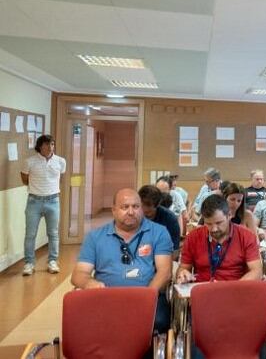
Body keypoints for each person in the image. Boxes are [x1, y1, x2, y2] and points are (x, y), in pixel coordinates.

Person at [71, 188, 173, 333]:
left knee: (158, 321)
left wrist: (147, 297)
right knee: (85, 322)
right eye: (125, 207)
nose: (131, 212)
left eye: (136, 207)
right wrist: (89, 283)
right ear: (113, 210)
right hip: (106, 298)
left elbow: (165, 272)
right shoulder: (95, 237)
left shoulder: (159, 232)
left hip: (148, 296)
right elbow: (79, 274)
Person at [176, 194, 262, 359]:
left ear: (229, 215)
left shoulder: (246, 236)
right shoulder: (194, 237)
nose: (213, 229)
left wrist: (228, 291)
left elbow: (256, 272)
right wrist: (182, 274)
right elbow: (182, 268)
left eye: (218, 223)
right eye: (208, 224)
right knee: (199, 334)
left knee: (256, 330)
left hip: (237, 296)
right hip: (204, 300)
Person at [20, 134, 66, 276]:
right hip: (34, 201)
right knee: (30, 234)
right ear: (40, 146)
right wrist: (38, 189)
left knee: (53, 233)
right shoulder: (29, 161)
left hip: (53, 201)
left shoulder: (60, 161)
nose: (50, 147)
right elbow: (25, 179)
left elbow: (60, 178)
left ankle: (52, 261)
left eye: (52, 144)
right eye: (47, 145)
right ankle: (29, 263)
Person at [138, 185, 181, 257]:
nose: (144, 210)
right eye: (141, 206)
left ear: (157, 205)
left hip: (162, 257)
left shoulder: (170, 219)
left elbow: (175, 251)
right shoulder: (134, 215)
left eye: (148, 212)